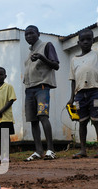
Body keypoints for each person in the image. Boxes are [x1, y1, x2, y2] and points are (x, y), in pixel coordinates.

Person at [67, 28, 98, 159]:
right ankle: (83, 150)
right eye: (82, 40)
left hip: (94, 92)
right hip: (79, 95)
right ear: (78, 42)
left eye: (88, 39)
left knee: (97, 120)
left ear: (93, 41)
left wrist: (96, 82)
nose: (85, 42)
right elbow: (73, 80)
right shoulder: (74, 60)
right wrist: (71, 97)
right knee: (82, 122)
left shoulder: (97, 54)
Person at [23, 25, 59, 161]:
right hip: (29, 89)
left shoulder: (46, 46)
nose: (28, 36)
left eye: (31, 33)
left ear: (38, 33)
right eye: (26, 35)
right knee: (33, 120)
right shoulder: (29, 53)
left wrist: (42, 58)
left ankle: (51, 150)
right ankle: (38, 150)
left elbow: (56, 65)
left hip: (42, 88)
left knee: (43, 116)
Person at [0, 67, 17, 163]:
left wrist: (0, 112)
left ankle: (6, 156)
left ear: (5, 76)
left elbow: (10, 101)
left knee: (5, 136)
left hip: (5, 117)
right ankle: (1, 155)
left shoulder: (8, 87)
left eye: (1, 74)